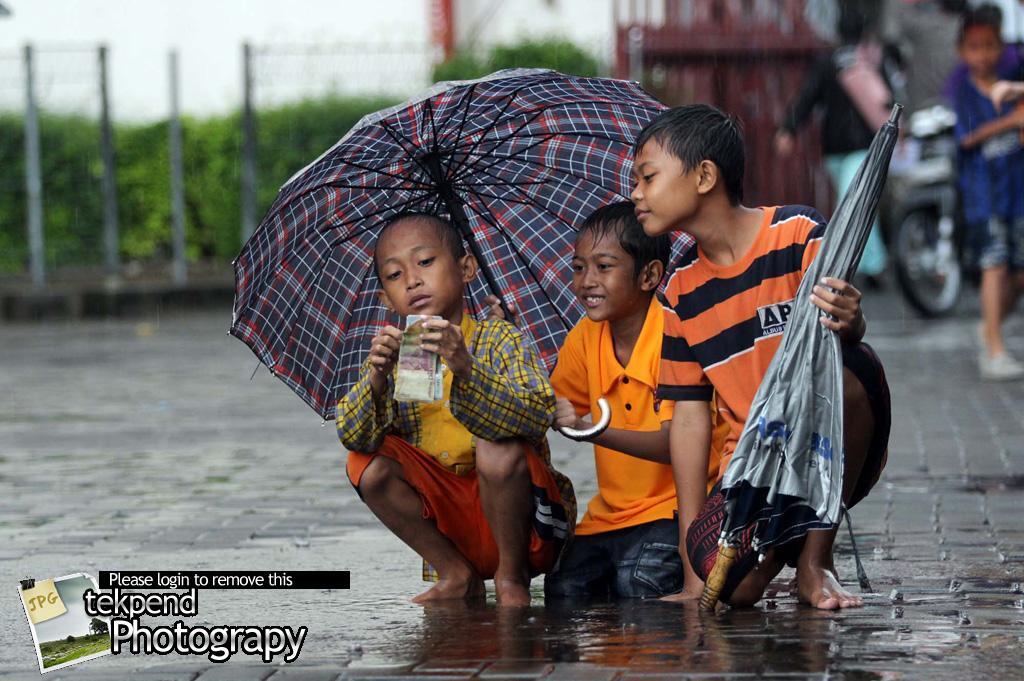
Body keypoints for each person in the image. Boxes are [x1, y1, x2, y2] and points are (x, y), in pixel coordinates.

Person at [631, 104, 892, 609]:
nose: (636, 194)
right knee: (734, 590)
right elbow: (688, 421)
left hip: (824, 442)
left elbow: (844, 333)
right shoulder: (679, 291)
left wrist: (852, 318)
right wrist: (692, 571)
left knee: (854, 370)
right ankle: (776, 545)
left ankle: (815, 560)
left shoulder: (796, 235)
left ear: (704, 175)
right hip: (753, 466)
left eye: (647, 177)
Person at [335, 213, 575, 606]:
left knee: (497, 444)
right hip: (450, 523)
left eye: (425, 262)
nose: (412, 280)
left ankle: (511, 578)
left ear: (466, 268)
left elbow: (536, 413)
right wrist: (376, 380)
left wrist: (466, 366)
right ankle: (456, 573)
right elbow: (353, 435)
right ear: (385, 299)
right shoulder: (400, 356)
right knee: (366, 462)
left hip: (522, 524)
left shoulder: (498, 338)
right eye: (394, 276)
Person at [540, 201, 726, 599]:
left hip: (674, 510)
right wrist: (504, 350)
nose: (586, 281)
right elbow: (547, 401)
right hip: (607, 517)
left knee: (638, 583)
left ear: (649, 275)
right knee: (563, 589)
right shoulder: (585, 338)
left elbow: (676, 443)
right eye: (578, 267)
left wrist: (591, 431)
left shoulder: (674, 335)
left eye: (604, 267)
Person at [776, 2, 902, 287]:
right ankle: (870, 262)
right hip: (862, 144)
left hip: (847, 147)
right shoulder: (872, 59)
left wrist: (789, 128)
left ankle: (872, 264)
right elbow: (889, 99)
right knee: (858, 202)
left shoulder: (829, 62)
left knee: (854, 201)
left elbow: (807, 97)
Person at [950, 4, 1024, 380]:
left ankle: (989, 326)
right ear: (962, 50)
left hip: (1016, 188)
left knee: (1019, 271)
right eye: (975, 47)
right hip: (983, 192)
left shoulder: (1013, 75)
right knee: (994, 263)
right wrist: (1008, 122)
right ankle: (993, 348)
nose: (984, 55)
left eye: (991, 45)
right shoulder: (961, 90)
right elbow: (966, 138)